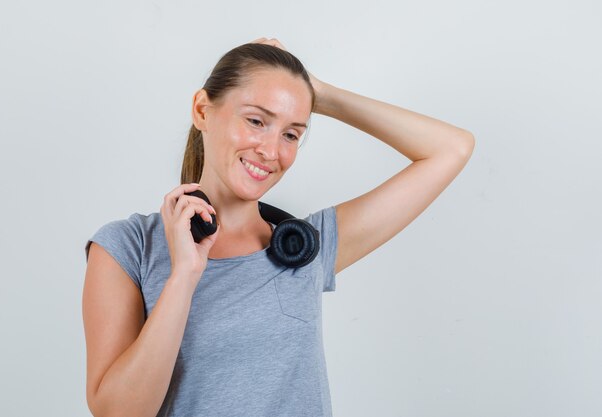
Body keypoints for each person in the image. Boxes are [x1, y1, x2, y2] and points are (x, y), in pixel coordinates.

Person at [82, 37, 475, 417]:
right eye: (256, 120)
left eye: (291, 134)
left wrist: (318, 93)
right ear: (202, 110)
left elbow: (450, 148)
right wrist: (184, 274)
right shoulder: (128, 247)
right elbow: (119, 413)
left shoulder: (303, 249)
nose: (271, 152)